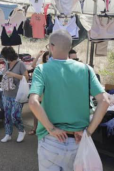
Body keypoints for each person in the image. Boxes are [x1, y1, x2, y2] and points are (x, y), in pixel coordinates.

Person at [28, 30, 109, 171]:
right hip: (79, 140)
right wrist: (88, 132)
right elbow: (105, 101)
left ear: (51, 47)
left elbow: (33, 102)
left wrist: (51, 128)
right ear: (69, 47)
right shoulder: (86, 69)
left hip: (52, 140)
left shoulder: (41, 69)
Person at [0, 46, 29, 143]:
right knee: (7, 115)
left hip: (17, 95)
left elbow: (26, 77)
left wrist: (13, 75)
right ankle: (8, 134)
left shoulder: (20, 64)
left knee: (15, 116)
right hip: (6, 93)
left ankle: (21, 130)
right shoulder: (7, 63)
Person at [29, 51, 49, 135]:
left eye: (50, 58)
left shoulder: (54, 67)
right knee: (36, 112)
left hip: (48, 95)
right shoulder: (41, 66)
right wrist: (38, 55)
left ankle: (45, 129)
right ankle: (35, 128)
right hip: (40, 93)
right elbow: (33, 65)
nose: (48, 60)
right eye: (47, 58)